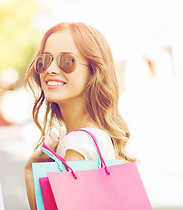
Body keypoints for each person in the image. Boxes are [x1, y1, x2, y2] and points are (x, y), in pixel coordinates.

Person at [24, 22, 135, 209]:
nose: (50, 69)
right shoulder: (96, 137)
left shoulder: (77, 144)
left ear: (93, 71)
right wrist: (30, 171)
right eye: (44, 60)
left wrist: (29, 172)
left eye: (67, 61)